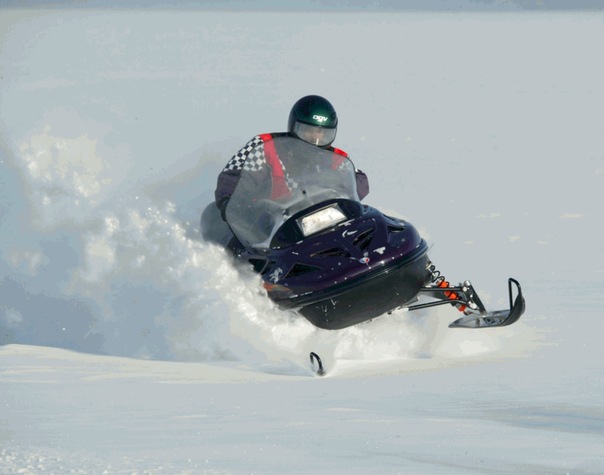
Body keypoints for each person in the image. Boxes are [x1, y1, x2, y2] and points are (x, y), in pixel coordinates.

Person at [214, 95, 369, 220]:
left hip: (321, 220)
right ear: (294, 126)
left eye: (322, 133)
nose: (315, 138)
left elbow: (358, 182)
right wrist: (233, 202)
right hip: (270, 222)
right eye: (308, 131)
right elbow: (236, 175)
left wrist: (336, 180)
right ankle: (224, 259)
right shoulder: (266, 146)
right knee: (224, 230)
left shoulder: (337, 158)